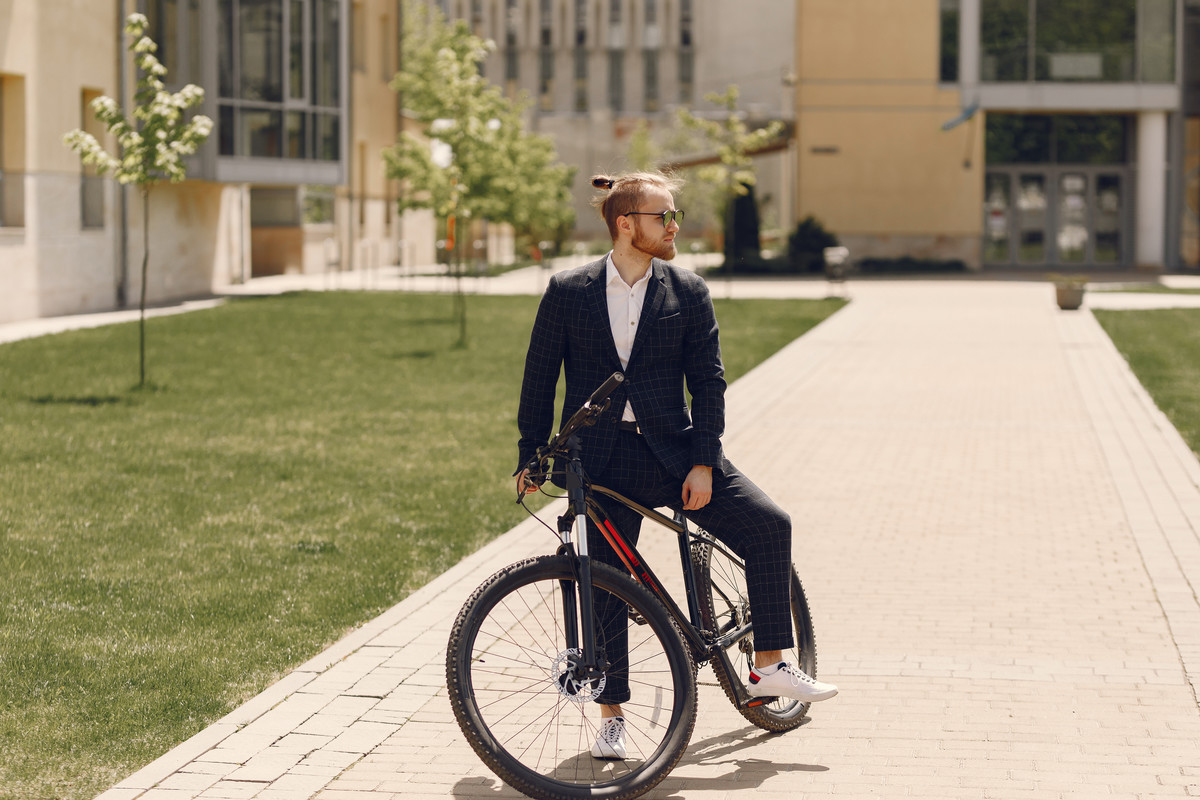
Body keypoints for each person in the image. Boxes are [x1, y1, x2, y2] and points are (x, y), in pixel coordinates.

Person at [515, 171, 837, 760]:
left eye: (673, 215)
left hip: (677, 455)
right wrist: (531, 456)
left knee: (771, 526)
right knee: (604, 582)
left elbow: (708, 384)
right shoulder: (570, 290)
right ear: (625, 223)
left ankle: (769, 665)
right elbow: (539, 381)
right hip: (601, 461)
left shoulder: (687, 291)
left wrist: (705, 462)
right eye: (664, 216)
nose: (674, 226)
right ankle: (611, 717)